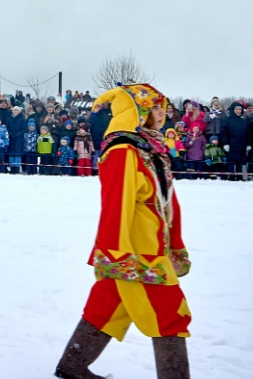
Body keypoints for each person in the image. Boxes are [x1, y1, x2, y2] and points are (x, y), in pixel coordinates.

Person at [54, 84, 190, 379]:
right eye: (152, 107)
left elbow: (168, 202)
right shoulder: (123, 150)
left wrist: (175, 243)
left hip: (154, 243)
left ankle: (72, 366)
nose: (160, 112)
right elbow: (116, 203)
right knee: (170, 314)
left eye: (161, 106)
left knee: (107, 305)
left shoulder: (151, 147)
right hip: (137, 252)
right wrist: (116, 251)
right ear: (135, 112)